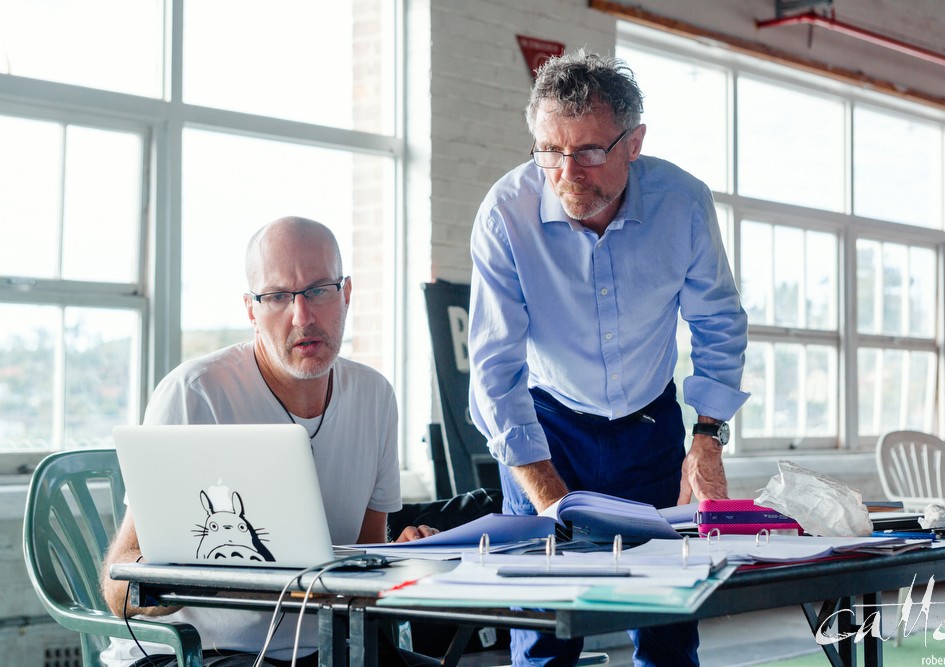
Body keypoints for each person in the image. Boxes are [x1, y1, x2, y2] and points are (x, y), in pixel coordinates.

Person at [467, 50, 749, 666]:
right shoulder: (505, 215)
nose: (568, 172)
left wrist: (706, 437)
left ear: (634, 142)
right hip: (546, 426)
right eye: (549, 151)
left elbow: (718, 324)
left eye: (590, 151)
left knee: (668, 624)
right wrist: (545, 498)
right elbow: (495, 369)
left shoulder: (683, 204)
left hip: (650, 427)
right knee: (544, 628)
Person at [100, 216, 435, 667]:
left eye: (319, 289)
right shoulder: (196, 394)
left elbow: (362, 560)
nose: (303, 316)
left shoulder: (375, 396)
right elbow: (120, 592)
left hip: (322, 648)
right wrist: (236, 573)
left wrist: (403, 556)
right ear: (251, 310)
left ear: (347, 294)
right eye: (277, 296)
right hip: (197, 653)